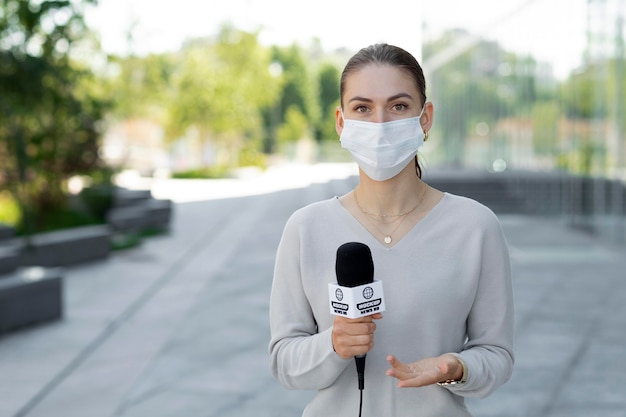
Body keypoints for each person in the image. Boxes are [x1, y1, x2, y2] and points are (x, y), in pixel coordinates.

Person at [269, 43, 514, 417]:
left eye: (398, 106)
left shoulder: (475, 227)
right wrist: (333, 345)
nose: (380, 124)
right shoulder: (305, 228)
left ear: (425, 118)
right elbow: (284, 362)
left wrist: (456, 368)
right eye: (362, 108)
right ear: (341, 122)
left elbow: (496, 355)